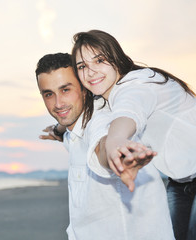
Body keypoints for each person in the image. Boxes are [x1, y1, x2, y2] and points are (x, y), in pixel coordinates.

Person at [71, 29, 196, 240]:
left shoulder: (140, 83)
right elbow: (95, 126)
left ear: (117, 59)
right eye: (82, 66)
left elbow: (129, 112)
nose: (90, 72)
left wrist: (117, 141)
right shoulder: (105, 100)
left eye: (99, 60)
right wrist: (58, 130)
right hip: (181, 184)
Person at [35, 52, 174, 240]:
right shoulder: (73, 131)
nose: (58, 103)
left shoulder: (103, 121)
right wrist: (58, 131)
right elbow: (70, 132)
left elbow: (104, 144)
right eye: (49, 94)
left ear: (84, 88)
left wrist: (118, 157)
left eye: (66, 90)